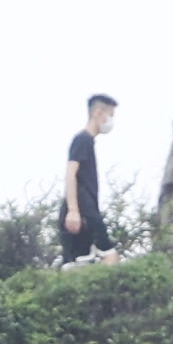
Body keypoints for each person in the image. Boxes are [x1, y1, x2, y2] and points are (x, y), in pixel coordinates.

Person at [62, 94, 122, 257]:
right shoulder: (82, 139)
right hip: (83, 210)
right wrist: (73, 211)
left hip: (85, 209)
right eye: (110, 115)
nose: (110, 120)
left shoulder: (88, 142)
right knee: (110, 255)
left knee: (79, 261)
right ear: (98, 113)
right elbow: (70, 173)